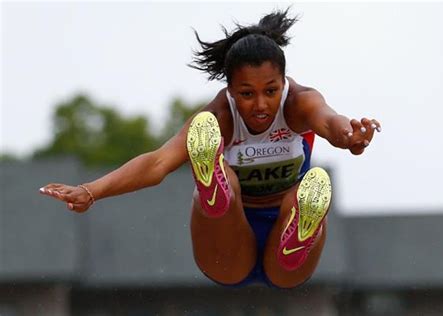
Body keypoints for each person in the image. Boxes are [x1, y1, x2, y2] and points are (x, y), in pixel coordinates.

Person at [39, 8, 381, 289]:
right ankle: (214, 194)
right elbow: (158, 163)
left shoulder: (300, 103)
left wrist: (351, 136)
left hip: (284, 237)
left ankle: (295, 239)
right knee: (225, 183)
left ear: (284, 83)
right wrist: (90, 191)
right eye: (247, 94)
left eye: (271, 91)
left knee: (303, 195)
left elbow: (331, 123)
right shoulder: (219, 117)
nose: (261, 105)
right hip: (228, 244)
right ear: (230, 90)